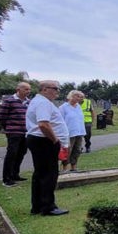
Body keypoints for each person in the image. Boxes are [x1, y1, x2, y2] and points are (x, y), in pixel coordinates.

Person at [26, 81, 70, 216]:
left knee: (40, 174)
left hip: (40, 140)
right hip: (44, 141)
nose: (58, 91)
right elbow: (43, 124)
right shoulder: (43, 103)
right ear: (44, 89)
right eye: (55, 89)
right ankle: (48, 207)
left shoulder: (41, 101)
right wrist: (55, 139)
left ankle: (37, 205)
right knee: (49, 175)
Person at [0, 82, 31, 187]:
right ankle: (6, 178)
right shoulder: (9, 101)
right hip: (14, 131)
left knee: (21, 153)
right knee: (11, 154)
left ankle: (15, 174)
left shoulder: (28, 102)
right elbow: (2, 117)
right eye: (25, 89)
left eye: (29, 89)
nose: (28, 91)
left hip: (25, 132)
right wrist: (8, 128)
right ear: (18, 89)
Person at [59, 90, 87, 173]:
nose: (79, 98)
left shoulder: (78, 107)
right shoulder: (63, 107)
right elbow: (60, 121)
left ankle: (73, 167)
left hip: (79, 132)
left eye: (80, 97)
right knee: (68, 150)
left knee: (77, 150)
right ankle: (64, 168)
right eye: (77, 96)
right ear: (71, 96)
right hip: (69, 133)